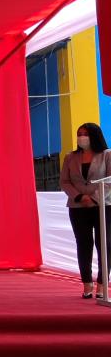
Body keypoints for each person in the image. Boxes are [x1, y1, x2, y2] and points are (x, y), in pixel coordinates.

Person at [60, 123, 111, 299]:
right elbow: (65, 182)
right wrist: (80, 197)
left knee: (105, 244)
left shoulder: (107, 155)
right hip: (77, 207)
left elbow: (110, 180)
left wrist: (94, 198)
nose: (82, 137)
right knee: (83, 244)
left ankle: (102, 284)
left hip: (103, 205)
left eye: (85, 134)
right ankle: (87, 283)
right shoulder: (70, 157)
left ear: (95, 136)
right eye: (79, 134)